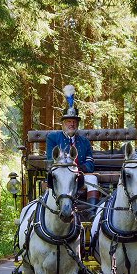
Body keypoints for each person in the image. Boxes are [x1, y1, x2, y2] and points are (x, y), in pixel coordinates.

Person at [46, 87, 100, 217]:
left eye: (74, 122)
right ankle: (54, 213)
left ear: (77, 124)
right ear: (63, 124)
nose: (72, 124)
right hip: (61, 175)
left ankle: (91, 214)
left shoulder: (84, 141)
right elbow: (50, 160)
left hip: (79, 175)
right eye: (69, 121)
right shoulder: (53, 138)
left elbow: (90, 164)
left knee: (92, 178)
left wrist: (79, 168)